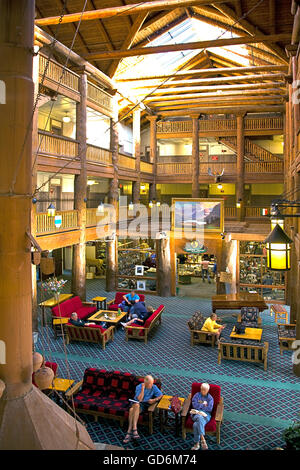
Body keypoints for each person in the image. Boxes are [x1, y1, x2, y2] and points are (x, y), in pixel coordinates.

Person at [123, 375, 162, 443]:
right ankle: (134, 429)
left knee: (131, 410)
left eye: (152, 383)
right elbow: (139, 399)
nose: (151, 385)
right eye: (149, 384)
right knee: (136, 405)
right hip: (136, 403)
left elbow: (161, 395)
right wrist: (143, 389)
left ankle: (129, 432)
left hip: (144, 406)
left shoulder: (154, 387)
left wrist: (154, 400)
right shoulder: (139, 387)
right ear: (145, 384)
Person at [190, 383, 214, 450]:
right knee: (199, 417)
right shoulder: (197, 395)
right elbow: (194, 405)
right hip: (196, 414)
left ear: (207, 390)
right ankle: (203, 439)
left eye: (204, 390)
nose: (203, 391)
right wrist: (204, 406)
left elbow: (209, 409)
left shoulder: (210, 398)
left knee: (195, 425)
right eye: (202, 389)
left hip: (206, 415)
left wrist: (200, 406)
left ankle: (196, 444)